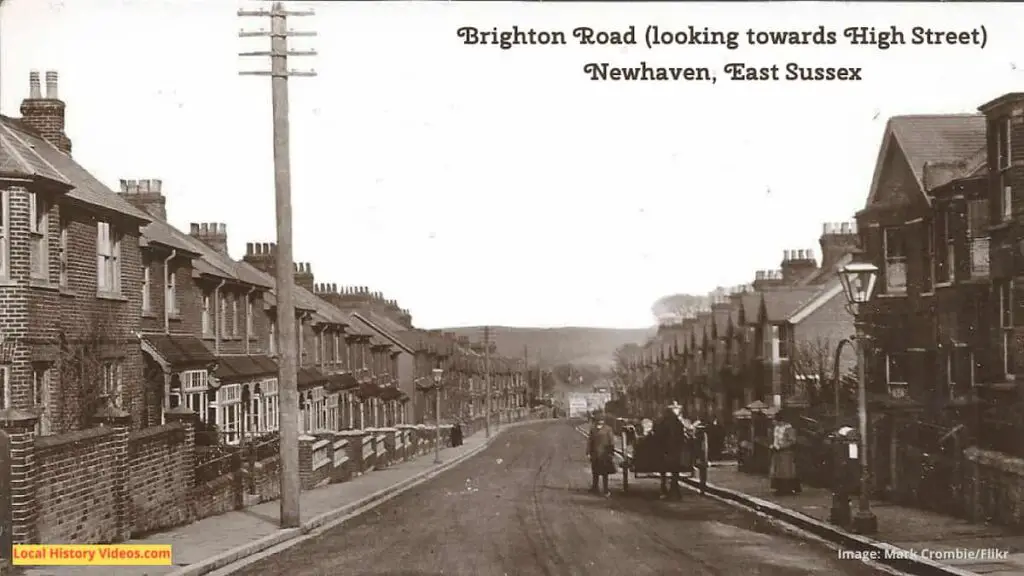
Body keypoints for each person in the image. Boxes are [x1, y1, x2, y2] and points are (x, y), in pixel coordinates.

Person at [654, 401, 689, 500]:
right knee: (675, 470)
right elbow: (681, 436)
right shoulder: (678, 423)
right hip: (676, 449)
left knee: (663, 468)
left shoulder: (662, 422)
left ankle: (664, 487)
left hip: (665, 449)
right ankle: (675, 489)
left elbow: (658, 437)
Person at [770, 410, 801, 495]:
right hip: (777, 453)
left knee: (786, 471)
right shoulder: (776, 428)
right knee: (778, 471)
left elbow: (792, 441)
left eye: (774, 420)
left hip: (786, 453)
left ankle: (787, 489)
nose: (773, 421)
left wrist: (782, 446)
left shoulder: (788, 429)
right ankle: (779, 488)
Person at [587, 415, 616, 497]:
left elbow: (611, 442)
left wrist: (611, 453)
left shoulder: (608, 429)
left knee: (604, 473)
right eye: (598, 421)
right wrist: (588, 452)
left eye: (601, 421)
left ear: (603, 421)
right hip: (595, 454)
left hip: (604, 454)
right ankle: (595, 488)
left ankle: (605, 490)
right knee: (595, 471)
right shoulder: (593, 429)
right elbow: (590, 441)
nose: (600, 422)